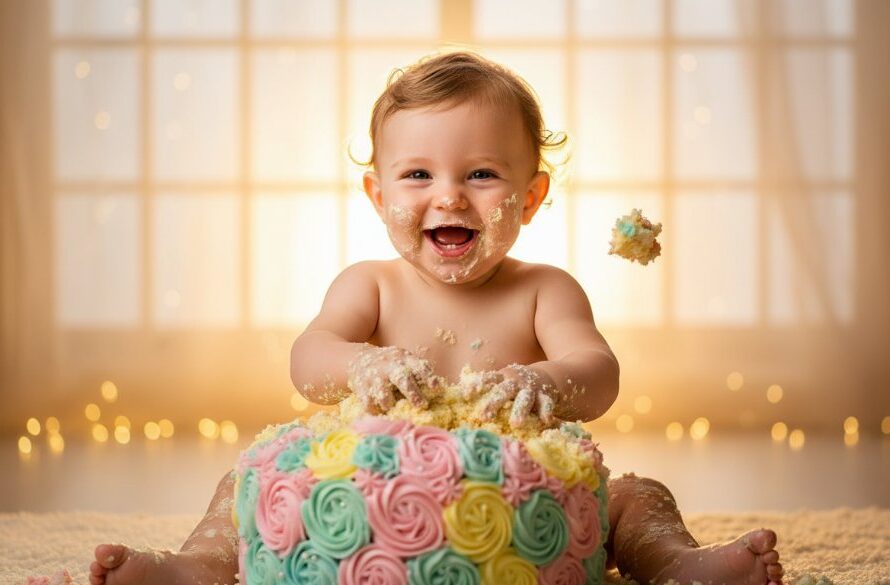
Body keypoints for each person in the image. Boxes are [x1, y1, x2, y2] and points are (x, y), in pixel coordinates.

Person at [90, 50, 783, 585]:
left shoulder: (544, 289)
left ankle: (680, 565)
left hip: (518, 494)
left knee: (637, 495)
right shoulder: (372, 284)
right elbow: (309, 356)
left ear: (530, 196)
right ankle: (194, 568)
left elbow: (598, 371)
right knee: (241, 484)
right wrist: (363, 363)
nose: (449, 196)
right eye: (418, 175)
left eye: (481, 174)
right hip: (370, 493)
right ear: (378, 193)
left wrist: (544, 379)